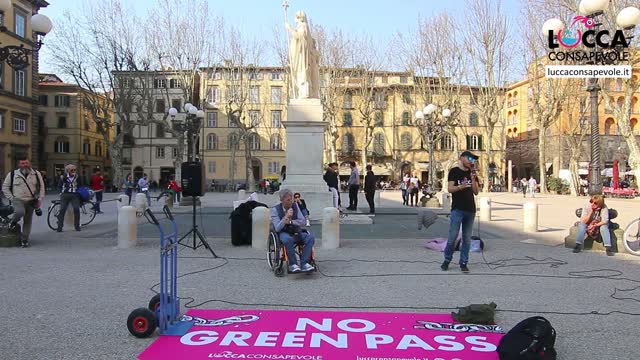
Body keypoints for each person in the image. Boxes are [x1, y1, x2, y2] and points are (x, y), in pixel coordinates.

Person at [441, 151, 480, 273]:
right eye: (469, 158)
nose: (471, 161)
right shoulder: (454, 171)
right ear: (461, 158)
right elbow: (450, 188)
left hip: (470, 210)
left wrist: (473, 179)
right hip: (457, 209)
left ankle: (463, 262)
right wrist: (460, 187)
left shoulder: (472, 172)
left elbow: (476, 191)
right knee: (452, 237)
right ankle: (447, 260)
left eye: (473, 160)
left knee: (467, 238)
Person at [1, 157, 45, 247]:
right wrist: (11, 198)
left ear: (29, 164)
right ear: (19, 165)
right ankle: (13, 222)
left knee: (27, 221)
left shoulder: (36, 174)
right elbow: (5, 187)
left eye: (26, 163)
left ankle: (24, 240)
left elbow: (42, 187)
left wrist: (40, 199)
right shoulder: (12, 174)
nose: (25, 165)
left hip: (31, 200)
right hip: (17, 199)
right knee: (20, 212)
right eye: (22, 163)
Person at [270, 189, 315, 273]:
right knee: (288, 239)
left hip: (295, 230)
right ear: (282, 200)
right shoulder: (275, 210)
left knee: (310, 238)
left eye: (291, 199)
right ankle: (292, 264)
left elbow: (303, 221)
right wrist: (285, 217)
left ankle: (304, 263)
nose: (291, 201)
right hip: (283, 232)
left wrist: (291, 222)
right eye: (288, 200)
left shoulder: (295, 206)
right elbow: (277, 228)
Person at [57, 164, 83, 232]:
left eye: (75, 170)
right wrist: (61, 193)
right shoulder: (63, 177)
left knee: (76, 209)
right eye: (72, 170)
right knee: (62, 209)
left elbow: (80, 185)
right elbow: (59, 186)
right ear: (67, 170)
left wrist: (78, 192)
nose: (74, 171)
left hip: (75, 195)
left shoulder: (77, 176)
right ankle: (60, 227)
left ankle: (77, 226)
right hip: (65, 195)